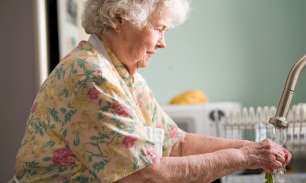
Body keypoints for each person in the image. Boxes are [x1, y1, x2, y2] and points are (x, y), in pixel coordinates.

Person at [14, 0, 292, 182]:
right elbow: (146, 174)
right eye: (159, 29)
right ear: (122, 18)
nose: (163, 43)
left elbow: (177, 144)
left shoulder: (124, 75)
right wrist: (245, 158)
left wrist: (254, 149)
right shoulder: (91, 75)